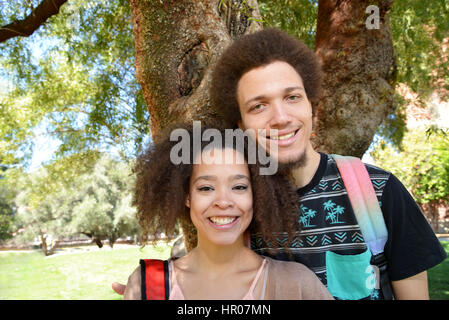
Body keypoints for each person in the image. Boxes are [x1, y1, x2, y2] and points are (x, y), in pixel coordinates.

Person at [113, 28, 446, 300]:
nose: (281, 118)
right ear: (240, 125)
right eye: (259, 106)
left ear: (311, 105)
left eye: (292, 97)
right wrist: (152, 288)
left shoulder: (377, 190)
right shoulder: (237, 207)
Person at [123, 123, 333, 300]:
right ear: (187, 196)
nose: (223, 202)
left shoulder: (297, 285)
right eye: (206, 188)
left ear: (257, 195)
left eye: (239, 187)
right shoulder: (147, 285)